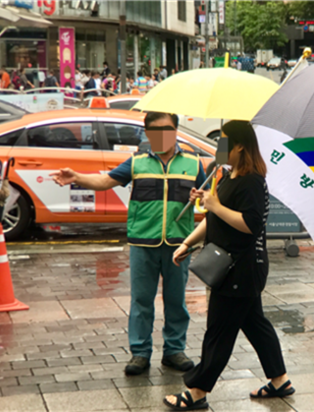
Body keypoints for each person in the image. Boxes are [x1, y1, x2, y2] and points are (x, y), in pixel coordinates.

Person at [51, 112, 208, 376]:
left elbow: (205, 199)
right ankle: (140, 353)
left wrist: (200, 197)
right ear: (147, 134)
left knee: (176, 300)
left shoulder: (193, 163)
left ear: (176, 131)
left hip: (179, 244)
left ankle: (174, 350)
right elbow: (105, 181)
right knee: (141, 300)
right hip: (143, 242)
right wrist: (76, 177)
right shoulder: (137, 162)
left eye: (167, 130)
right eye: (155, 131)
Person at [164, 121, 295, 411]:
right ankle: (279, 380)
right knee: (255, 324)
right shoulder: (229, 176)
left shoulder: (251, 180)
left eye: (223, 142)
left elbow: (251, 224)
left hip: (240, 270)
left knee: (219, 333)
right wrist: (188, 242)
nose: (218, 148)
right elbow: (214, 219)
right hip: (235, 267)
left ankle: (197, 392)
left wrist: (215, 205)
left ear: (238, 146)